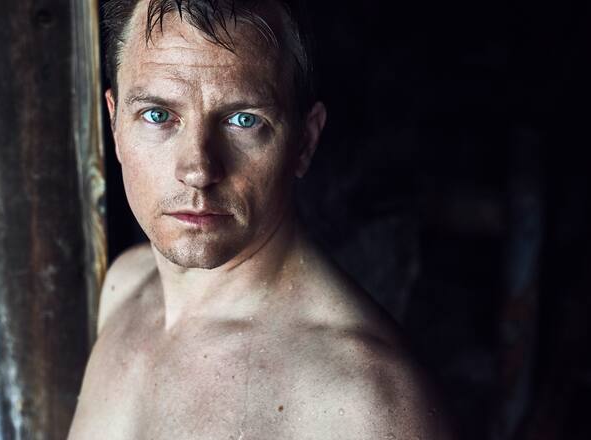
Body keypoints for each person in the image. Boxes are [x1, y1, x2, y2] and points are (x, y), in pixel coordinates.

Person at [68, 0, 455, 438]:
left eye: (242, 120)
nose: (198, 170)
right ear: (115, 124)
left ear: (304, 141)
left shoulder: (370, 406)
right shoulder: (124, 287)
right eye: (158, 115)